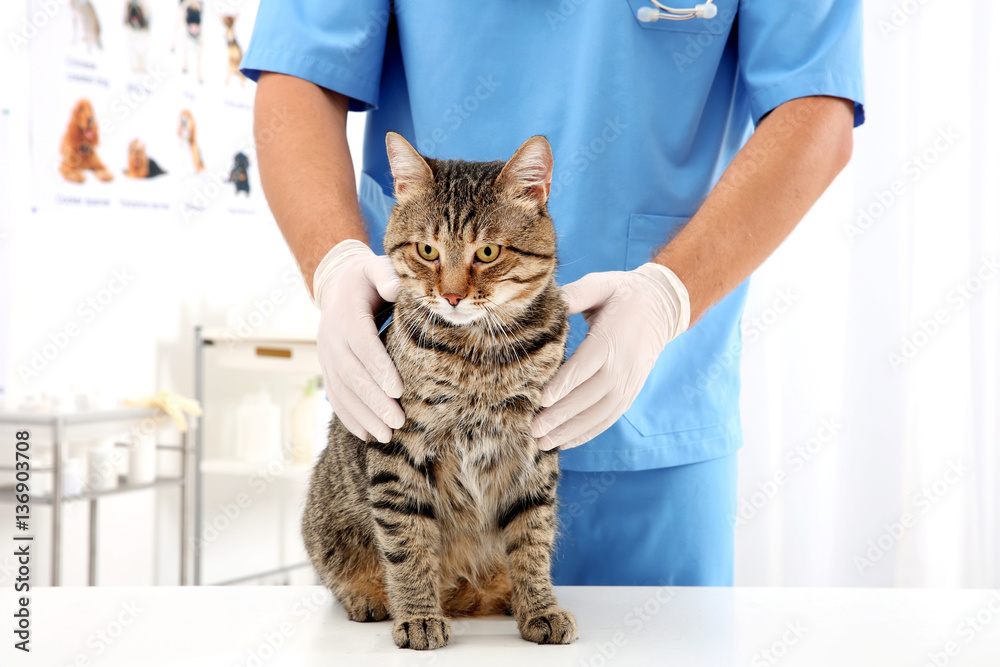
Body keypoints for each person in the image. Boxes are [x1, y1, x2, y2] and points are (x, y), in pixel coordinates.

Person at [241, 1, 864, 586]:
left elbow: (816, 105)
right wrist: (335, 261)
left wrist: (669, 294)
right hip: (419, 439)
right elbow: (300, 76)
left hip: (654, 432)